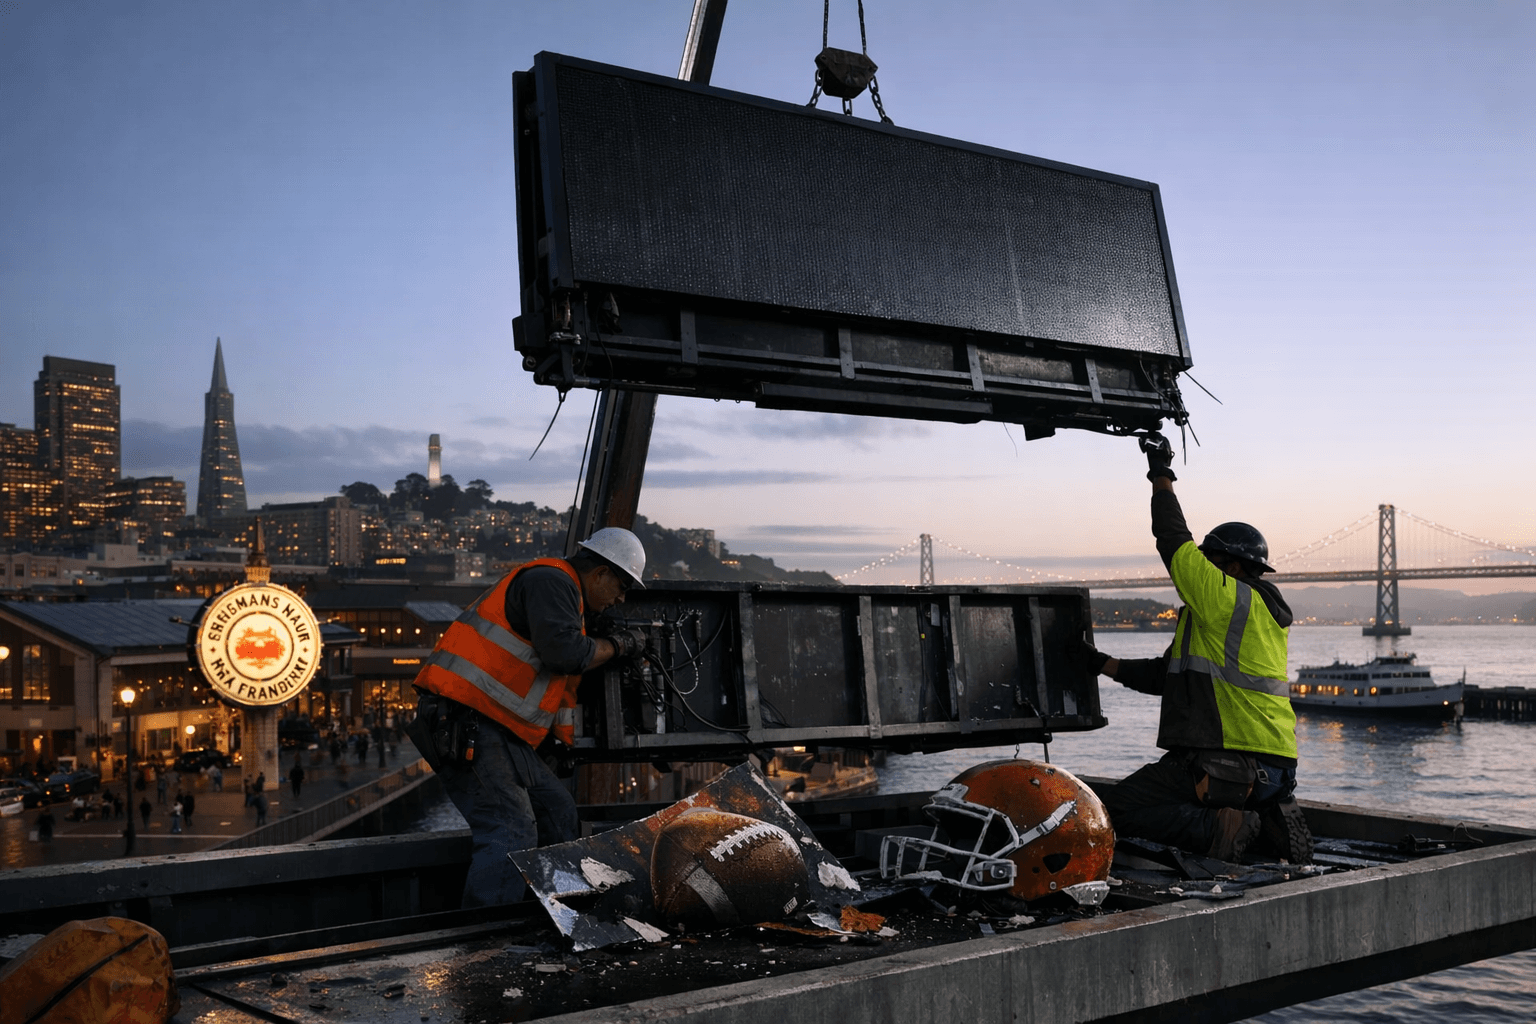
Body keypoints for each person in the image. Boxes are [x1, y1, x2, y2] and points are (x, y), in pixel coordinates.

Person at [1083, 433, 1313, 864]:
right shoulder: (1256, 616)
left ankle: (1223, 827)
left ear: (1233, 567)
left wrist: (1161, 473)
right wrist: (1101, 664)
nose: (1201, 567)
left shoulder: (1226, 597)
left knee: (1114, 810)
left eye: (1210, 561)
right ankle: (1255, 820)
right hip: (1278, 772)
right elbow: (1163, 678)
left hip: (1225, 764)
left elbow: (1173, 541)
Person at [406, 527, 650, 907]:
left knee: (557, 811)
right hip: (466, 721)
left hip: (496, 728)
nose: (620, 598)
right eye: (622, 586)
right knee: (510, 828)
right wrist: (620, 646)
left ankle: (557, 912)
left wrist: (557, 743)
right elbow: (565, 654)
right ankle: (488, 943)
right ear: (600, 573)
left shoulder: (569, 602)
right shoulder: (550, 582)